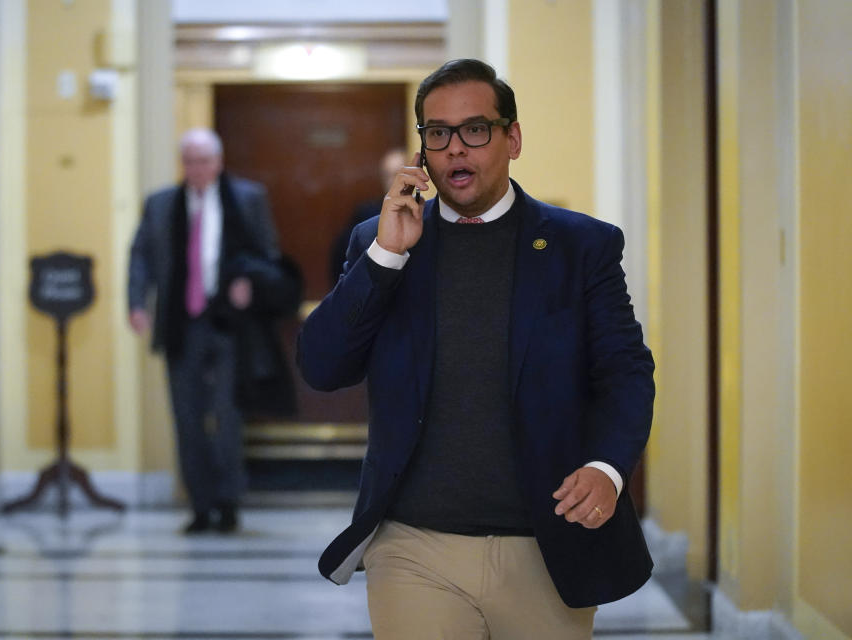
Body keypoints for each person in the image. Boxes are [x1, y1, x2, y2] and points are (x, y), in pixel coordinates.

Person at [297, 59, 655, 638]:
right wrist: (386, 258)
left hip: (546, 545)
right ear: (422, 152)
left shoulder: (579, 245)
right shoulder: (381, 240)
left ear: (512, 138)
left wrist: (608, 467)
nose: (456, 149)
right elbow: (322, 366)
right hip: (414, 543)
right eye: (437, 134)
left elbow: (626, 373)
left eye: (475, 130)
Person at [128, 128, 287, 534]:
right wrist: (136, 304)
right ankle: (199, 505)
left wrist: (250, 281)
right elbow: (141, 255)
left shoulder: (248, 199)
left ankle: (229, 503)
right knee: (187, 417)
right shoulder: (161, 204)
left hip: (229, 326)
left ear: (217, 162)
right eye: (189, 161)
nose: (196, 169)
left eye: (203, 160)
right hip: (181, 325)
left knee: (228, 416)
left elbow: (268, 254)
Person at [328, 148, 407, 287]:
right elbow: (342, 260)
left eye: (397, 175)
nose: (392, 181)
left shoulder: (424, 214)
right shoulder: (366, 214)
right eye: (387, 175)